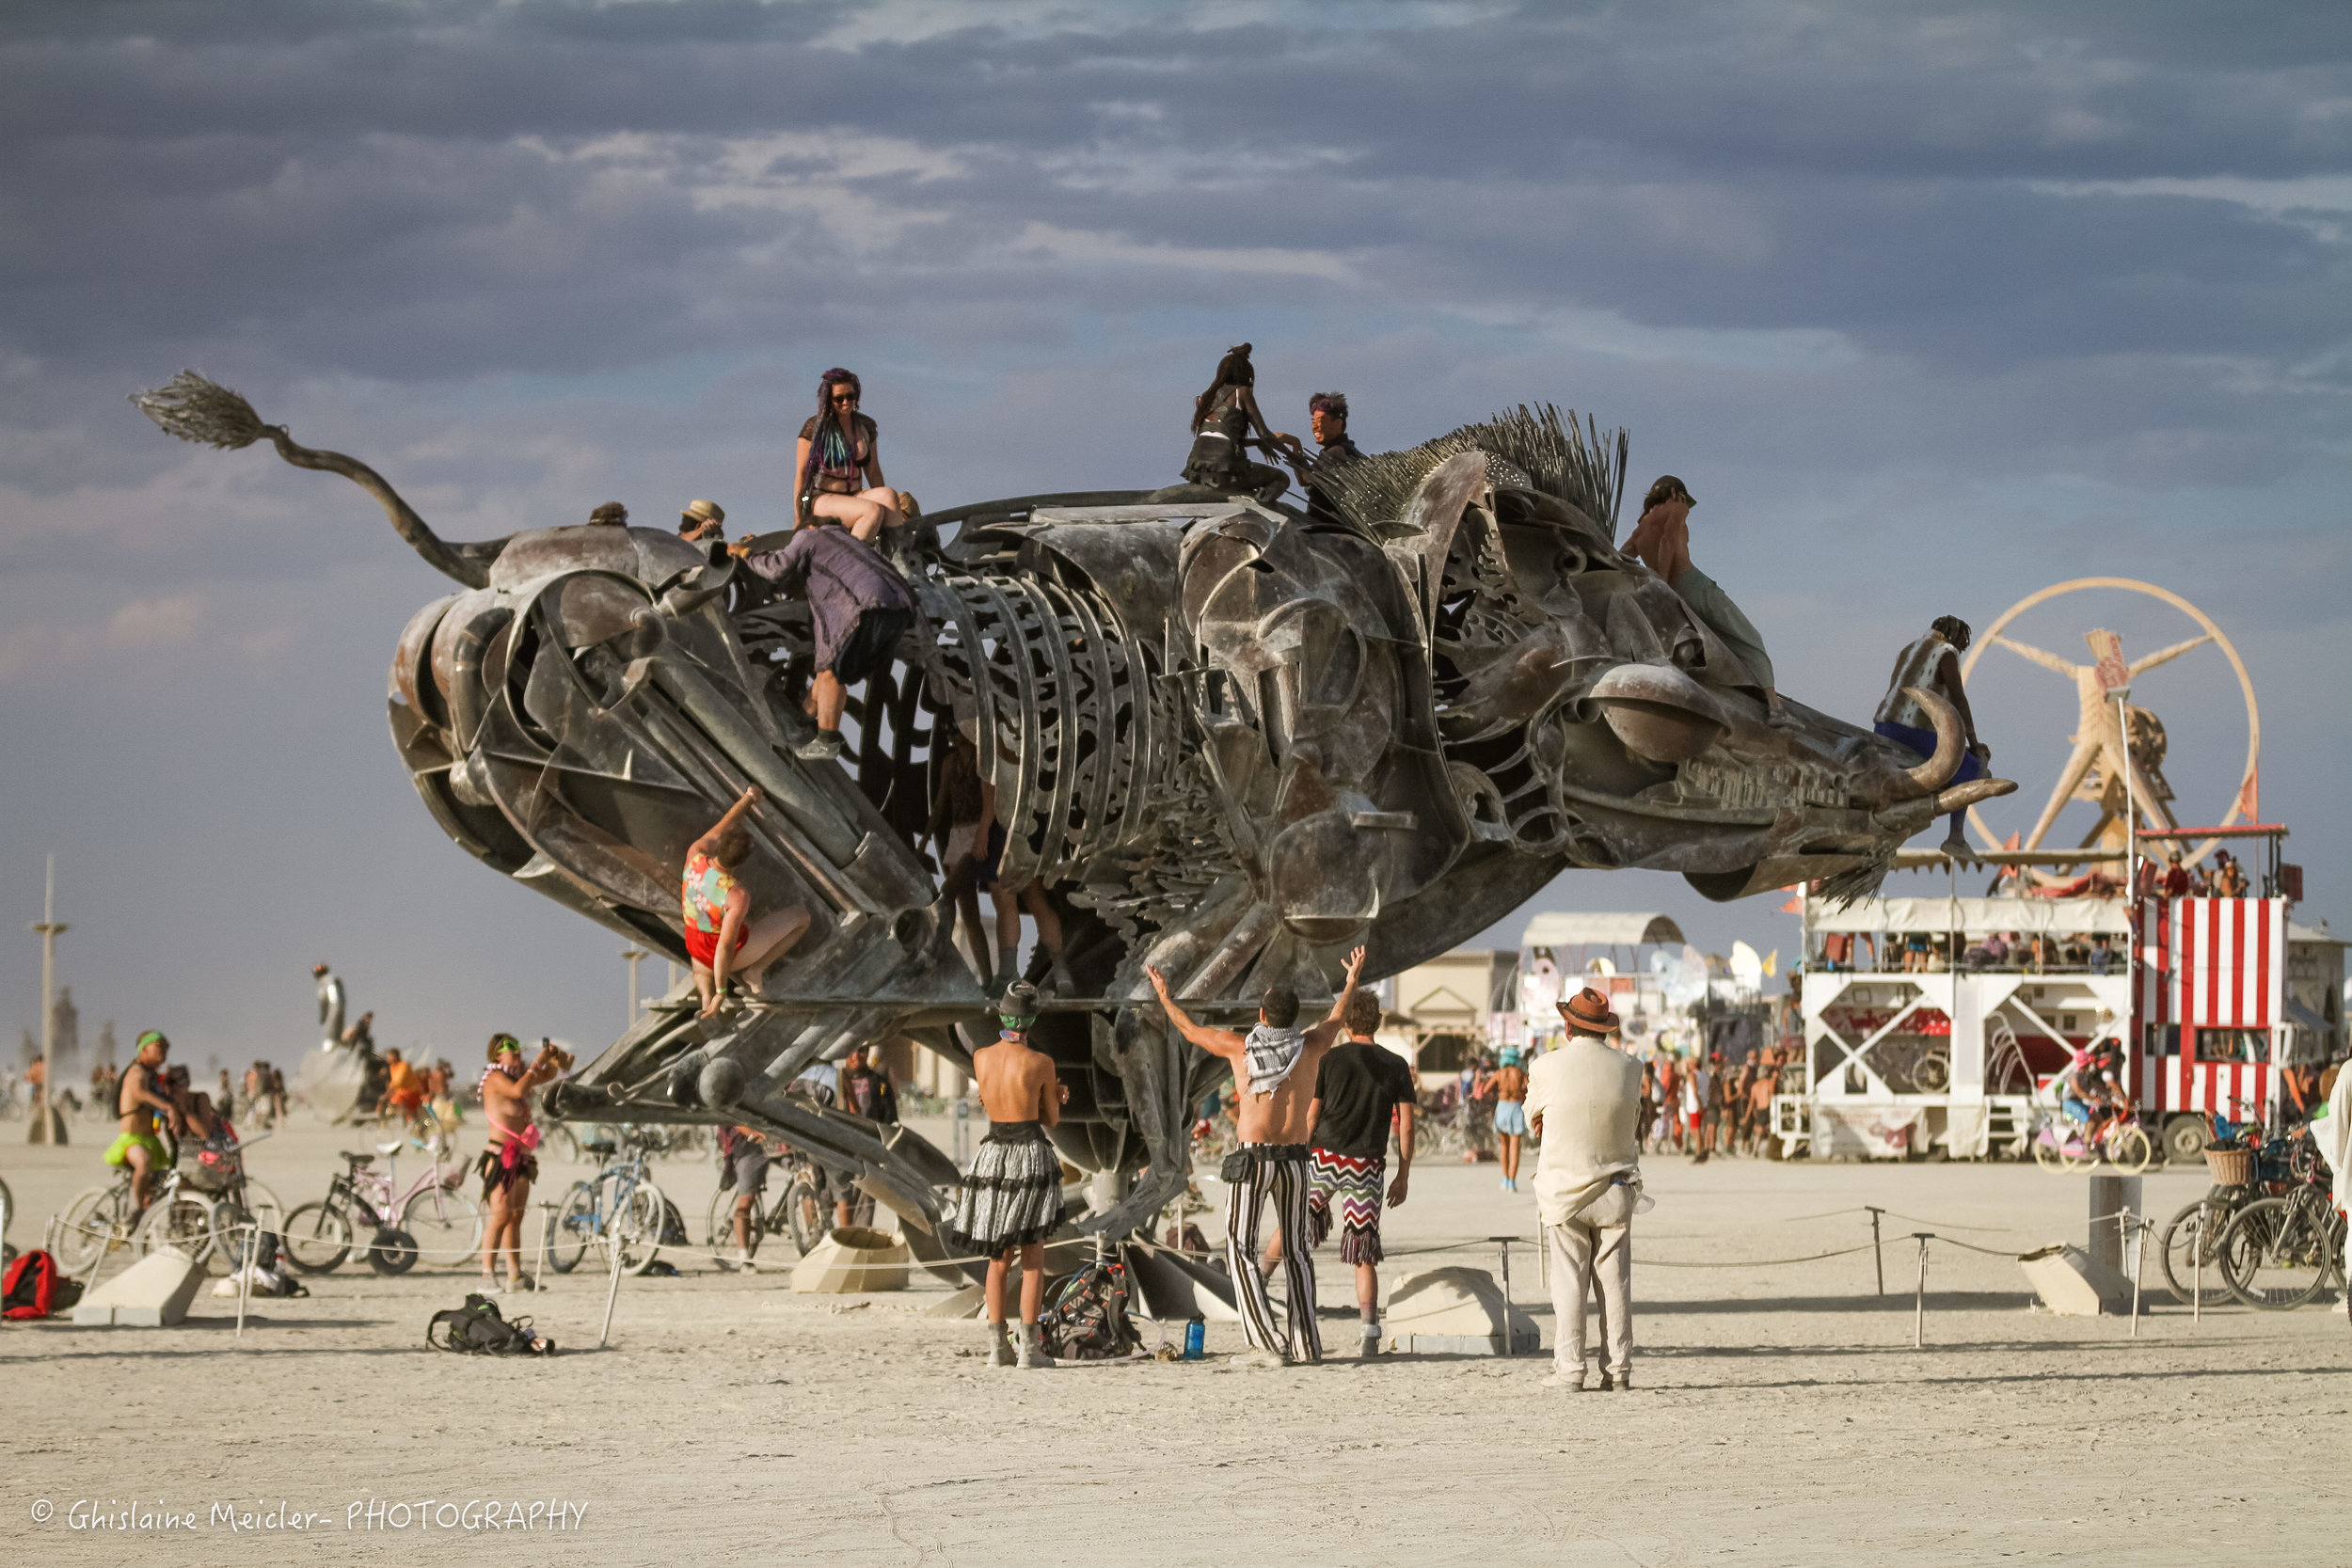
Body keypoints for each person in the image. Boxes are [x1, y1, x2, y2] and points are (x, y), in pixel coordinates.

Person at [1147, 945, 1368, 1367]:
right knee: (1298, 1253)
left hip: (1254, 1160)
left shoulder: (1241, 1049)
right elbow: (1338, 1014)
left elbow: (1191, 1031)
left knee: (1240, 1249)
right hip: (1297, 1160)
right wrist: (1352, 979)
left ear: (1262, 1017)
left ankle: (1266, 1343)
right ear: (1293, 1018)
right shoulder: (1311, 1046)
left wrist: (1165, 997)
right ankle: (1306, 1346)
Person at [944, 982, 1071, 1370]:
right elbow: (1050, 1119)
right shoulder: (1041, 1063)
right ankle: (1030, 1349)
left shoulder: (981, 1057)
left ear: (1001, 1015)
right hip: (1029, 1156)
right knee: (1033, 1257)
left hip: (993, 1155)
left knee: (998, 1258)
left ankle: (998, 1348)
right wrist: (1058, 1094)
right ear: (1032, 1020)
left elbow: (989, 1099)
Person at [1529, 987, 1644, 1391]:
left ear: (1568, 1026)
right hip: (1615, 1188)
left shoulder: (1545, 1066)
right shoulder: (1632, 1067)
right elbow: (1632, 1121)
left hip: (1564, 1191)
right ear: (1606, 1030)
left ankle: (1570, 1370)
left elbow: (1533, 1118)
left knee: (1569, 1282)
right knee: (1614, 1284)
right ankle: (1618, 1370)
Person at [1294, 988, 1416, 1356]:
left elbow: (1312, 1115)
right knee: (1363, 1248)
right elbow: (1406, 1127)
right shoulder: (1396, 1065)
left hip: (1325, 1156)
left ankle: (1261, 1287)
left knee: (1293, 1223)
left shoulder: (1329, 1060)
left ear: (1346, 1024)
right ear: (1377, 1022)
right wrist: (1403, 1174)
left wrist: (1302, 1151)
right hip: (1366, 1165)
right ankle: (1369, 1333)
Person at [735, 521, 918, 762]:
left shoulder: (811, 535)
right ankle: (803, 718)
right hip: (901, 610)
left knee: (831, 672)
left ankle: (828, 742)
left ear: (809, 526)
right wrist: (799, 717)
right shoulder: (850, 542)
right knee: (828, 672)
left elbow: (777, 569)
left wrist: (744, 552)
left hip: (866, 605)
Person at [1622, 475, 1781, 716]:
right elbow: (1668, 540)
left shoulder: (1639, 530)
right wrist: (1662, 583)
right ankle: (1774, 706)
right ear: (1676, 493)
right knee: (1748, 638)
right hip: (1691, 584)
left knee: (1712, 645)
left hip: (1670, 597)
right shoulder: (1677, 507)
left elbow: (1622, 558)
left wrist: (1655, 587)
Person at [681, 786, 813, 1016]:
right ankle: (754, 972)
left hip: (694, 944)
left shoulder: (696, 854)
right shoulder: (736, 895)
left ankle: (705, 998)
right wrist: (722, 990)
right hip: (720, 954)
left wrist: (749, 797)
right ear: (741, 863)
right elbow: (725, 946)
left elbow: (726, 822)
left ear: (719, 846)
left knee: (704, 969)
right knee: (801, 918)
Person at [1872, 615, 1992, 859]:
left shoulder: (1909, 648)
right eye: (1963, 643)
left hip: (1883, 726)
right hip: (1910, 730)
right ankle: (1956, 837)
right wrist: (1974, 742)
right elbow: (1958, 700)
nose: (1962, 649)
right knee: (1969, 767)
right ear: (1955, 638)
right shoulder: (1946, 652)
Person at [477, 1034, 569, 1291]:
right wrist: (536, 1063)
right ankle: (486, 1275)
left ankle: (514, 1275)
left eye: (518, 1047)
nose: (516, 1052)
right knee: (500, 1215)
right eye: (510, 1048)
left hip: (521, 1157)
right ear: (497, 1054)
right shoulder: (495, 1078)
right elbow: (518, 1091)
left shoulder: (516, 1076)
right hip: (499, 1157)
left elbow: (547, 1075)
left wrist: (552, 1058)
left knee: (515, 1216)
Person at [794, 369, 906, 541]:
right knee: (872, 510)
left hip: (856, 494)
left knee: (889, 496)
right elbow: (802, 473)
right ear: (828, 400)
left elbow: (873, 470)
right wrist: (798, 518)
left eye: (850, 396)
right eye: (839, 398)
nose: (846, 402)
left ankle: (897, 557)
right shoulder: (814, 428)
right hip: (823, 499)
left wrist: (890, 511)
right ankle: (852, 561)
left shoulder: (865, 426)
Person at [1181, 344, 1295, 503]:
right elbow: (1265, 434)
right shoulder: (1241, 392)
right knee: (1281, 478)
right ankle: (1261, 509)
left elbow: (1222, 437)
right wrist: (1294, 458)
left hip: (1199, 472)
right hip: (1225, 472)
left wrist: (1257, 443)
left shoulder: (1204, 399)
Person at [106, 1030, 182, 1215]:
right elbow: (139, 1093)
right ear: (143, 1048)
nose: (163, 1052)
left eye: (166, 1048)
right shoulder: (136, 1071)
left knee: (159, 1181)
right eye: (158, 1046)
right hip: (131, 1139)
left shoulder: (153, 1076)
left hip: (150, 1140)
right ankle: (137, 1208)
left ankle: (145, 1215)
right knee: (144, 1163)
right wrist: (169, 1107)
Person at [1293, 390, 1364, 523]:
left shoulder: (1336, 453)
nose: (1315, 426)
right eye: (1313, 421)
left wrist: (1294, 445)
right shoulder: (1347, 449)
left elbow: (1307, 479)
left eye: (1321, 420)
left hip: (1328, 523)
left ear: (1338, 423)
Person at [716, 1123, 771, 1272]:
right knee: (746, 1200)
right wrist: (753, 1132)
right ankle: (744, 1257)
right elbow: (732, 1117)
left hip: (769, 1137)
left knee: (803, 1169)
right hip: (745, 1144)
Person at [1492, 1046, 1530, 1192]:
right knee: (1515, 1148)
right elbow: (1530, 1088)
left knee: (1504, 1147)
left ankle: (1505, 1179)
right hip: (1516, 1108)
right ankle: (1512, 1182)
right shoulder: (1520, 1073)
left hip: (1501, 1108)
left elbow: (1485, 1090)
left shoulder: (1499, 1074)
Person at [842, 1046, 899, 1125]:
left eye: (861, 1051)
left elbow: (890, 1118)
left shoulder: (881, 1084)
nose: (856, 1056)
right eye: (851, 1050)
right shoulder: (834, 1081)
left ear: (867, 1053)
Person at [379, 1047, 425, 1127]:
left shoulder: (404, 1066)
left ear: (394, 1057)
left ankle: (412, 1121)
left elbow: (397, 1082)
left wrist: (387, 1093)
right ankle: (387, 1121)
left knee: (395, 1101)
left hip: (411, 1092)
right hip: (403, 1092)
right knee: (389, 1101)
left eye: (388, 1056)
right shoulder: (392, 1067)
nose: (387, 1058)